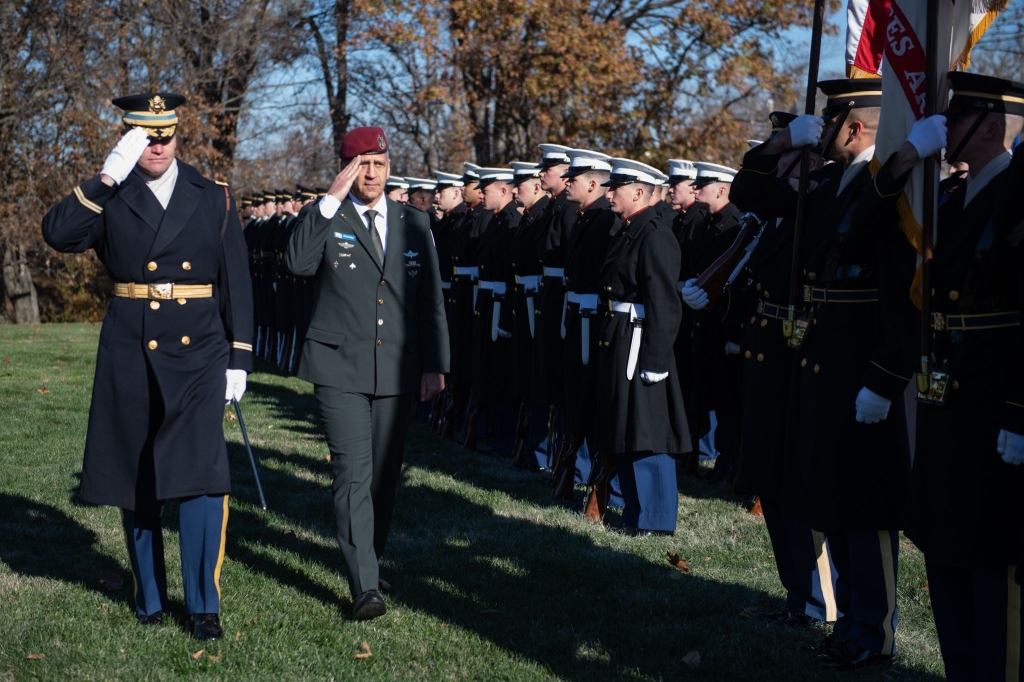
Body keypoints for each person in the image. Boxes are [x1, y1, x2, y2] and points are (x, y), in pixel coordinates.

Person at [41, 92, 253, 640]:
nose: (156, 145)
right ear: (127, 137)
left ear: (179, 135)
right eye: (144, 136)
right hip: (131, 346)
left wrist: (240, 357)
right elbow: (58, 234)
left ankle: (205, 605)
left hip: (201, 349)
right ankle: (150, 596)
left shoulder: (214, 196)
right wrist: (104, 178)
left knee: (204, 475)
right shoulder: (112, 193)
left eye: (165, 134)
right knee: (139, 475)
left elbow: (237, 283)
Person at [731, 78, 918, 669]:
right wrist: (776, 144)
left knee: (865, 504)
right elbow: (751, 194)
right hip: (821, 362)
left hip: (861, 362)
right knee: (835, 500)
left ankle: (875, 631)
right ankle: (851, 627)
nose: (825, 132)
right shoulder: (827, 183)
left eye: (831, 122)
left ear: (854, 127)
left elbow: (898, 291)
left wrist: (886, 374)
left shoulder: (885, 186)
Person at [889, 73, 1024, 681]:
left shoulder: (1018, 194)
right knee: (945, 542)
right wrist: (905, 157)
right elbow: (875, 228)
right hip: (947, 392)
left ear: (993, 127)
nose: (946, 130)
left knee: (990, 553)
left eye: (958, 120)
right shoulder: (944, 198)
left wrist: (1021, 411)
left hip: (995, 398)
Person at [284, 126, 449, 621]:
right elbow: (296, 263)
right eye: (362, 165)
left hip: (397, 368)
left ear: (389, 165)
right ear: (347, 169)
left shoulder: (414, 222)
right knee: (352, 475)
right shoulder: (330, 218)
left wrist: (436, 363)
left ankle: (368, 563)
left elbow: (431, 301)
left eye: (378, 163)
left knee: (382, 478)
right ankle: (365, 587)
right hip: (339, 366)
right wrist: (328, 202)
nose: (372, 174)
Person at [684, 112, 838, 629]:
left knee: (797, 486)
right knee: (771, 485)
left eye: (787, 155)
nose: (776, 166)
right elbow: (754, 293)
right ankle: (797, 594)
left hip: (798, 363)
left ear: (811, 161)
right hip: (765, 362)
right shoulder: (771, 215)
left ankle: (820, 600)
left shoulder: (813, 206)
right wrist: (714, 307)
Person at [596, 157, 690, 536]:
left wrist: (656, 358)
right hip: (621, 334)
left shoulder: (654, 233)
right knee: (628, 426)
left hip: (640, 339)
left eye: (616, 187)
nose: (609, 192)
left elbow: (665, 302)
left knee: (648, 430)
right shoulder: (629, 228)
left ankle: (656, 518)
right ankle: (636, 514)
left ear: (638, 192)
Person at [552, 149, 619, 506]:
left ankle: (595, 483)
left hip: (592, 320)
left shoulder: (603, 219)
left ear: (593, 183)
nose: (567, 182)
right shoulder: (584, 217)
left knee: (589, 399)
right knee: (576, 396)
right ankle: (573, 472)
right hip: (578, 313)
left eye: (573, 178)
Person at [533, 144, 578, 467]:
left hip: (562, 291)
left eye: (546, 169)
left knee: (561, 376)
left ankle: (564, 456)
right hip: (550, 289)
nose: (541, 174)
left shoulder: (567, 208)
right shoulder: (554, 205)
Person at [506, 161, 549, 465]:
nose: (513, 191)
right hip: (525, 297)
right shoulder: (531, 215)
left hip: (538, 299)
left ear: (535, 186)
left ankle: (539, 451)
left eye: (518, 185)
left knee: (538, 376)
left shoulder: (543, 214)